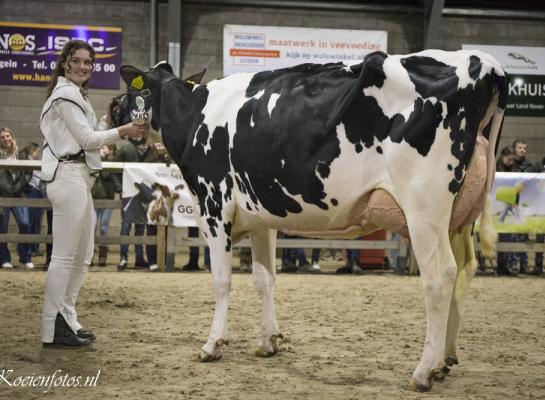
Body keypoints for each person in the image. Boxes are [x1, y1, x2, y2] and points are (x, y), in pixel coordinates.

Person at [40, 40, 145, 347]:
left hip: (79, 178)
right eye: (77, 61)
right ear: (65, 63)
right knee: (63, 256)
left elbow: (88, 133)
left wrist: (112, 123)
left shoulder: (75, 95)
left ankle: (67, 319)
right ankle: (51, 327)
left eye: (89, 62)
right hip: (68, 176)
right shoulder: (65, 94)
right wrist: (122, 130)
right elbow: (86, 140)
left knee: (83, 254)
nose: (84, 67)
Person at [115, 129, 170, 272]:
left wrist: (163, 154)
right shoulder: (126, 149)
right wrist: (120, 188)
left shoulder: (153, 151)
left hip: (147, 196)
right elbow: (114, 169)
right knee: (126, 225)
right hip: (131, 193)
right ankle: (123, 258)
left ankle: (140, 258)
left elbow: (162, 167)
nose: (141, 137)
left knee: (141, 226)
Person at [0, 127, 34, 269]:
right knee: (2, 228)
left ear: (12, 137)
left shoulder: (21, 154)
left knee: (25, 224)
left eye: (7, 136)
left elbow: (29, 172)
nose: (5, 139)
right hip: (3, 196)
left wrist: (22, 184)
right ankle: (4, 259)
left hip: (19, 195)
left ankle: (25, 257)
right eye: (2, 137)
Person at [91, 144, 121, 266]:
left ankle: (103, 256)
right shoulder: (93, 160)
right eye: (101, 148)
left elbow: (105, 174)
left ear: (111, 150)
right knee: (92, 227)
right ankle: (90, 255)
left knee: (103, 227)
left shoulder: (112, 162)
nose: (102, 150)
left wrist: (102, 159)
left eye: (105, 148)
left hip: (107, 199)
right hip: (93, 198)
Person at [495, 146, 518, 276]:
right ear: (502, 157)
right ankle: (500, 265)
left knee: (507, 235)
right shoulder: (495, 168)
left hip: (508, 204)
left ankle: (505, 265)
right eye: (509, 159)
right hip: (496, 204)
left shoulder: (514, 169)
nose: (511, 162)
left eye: (512, 160)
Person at [512, 139, 532, 274]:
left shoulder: (529, 165)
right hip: (508, 203)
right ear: (514, 149)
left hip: (524, 204)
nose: (522, 150)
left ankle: (523, 264)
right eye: (520, 148)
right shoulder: (508, 163)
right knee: (510, 233)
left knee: (524, 234)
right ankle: (510, 264)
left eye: (524, 148)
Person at [20, 142, 43, 257]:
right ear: (32, 151)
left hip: (39, 191)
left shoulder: (38, 163)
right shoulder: (27, 162)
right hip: (32, 191)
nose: (39, 154)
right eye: (37, 151)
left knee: (37, 221)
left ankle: (35, 247)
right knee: (30, 221)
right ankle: (28, 248)